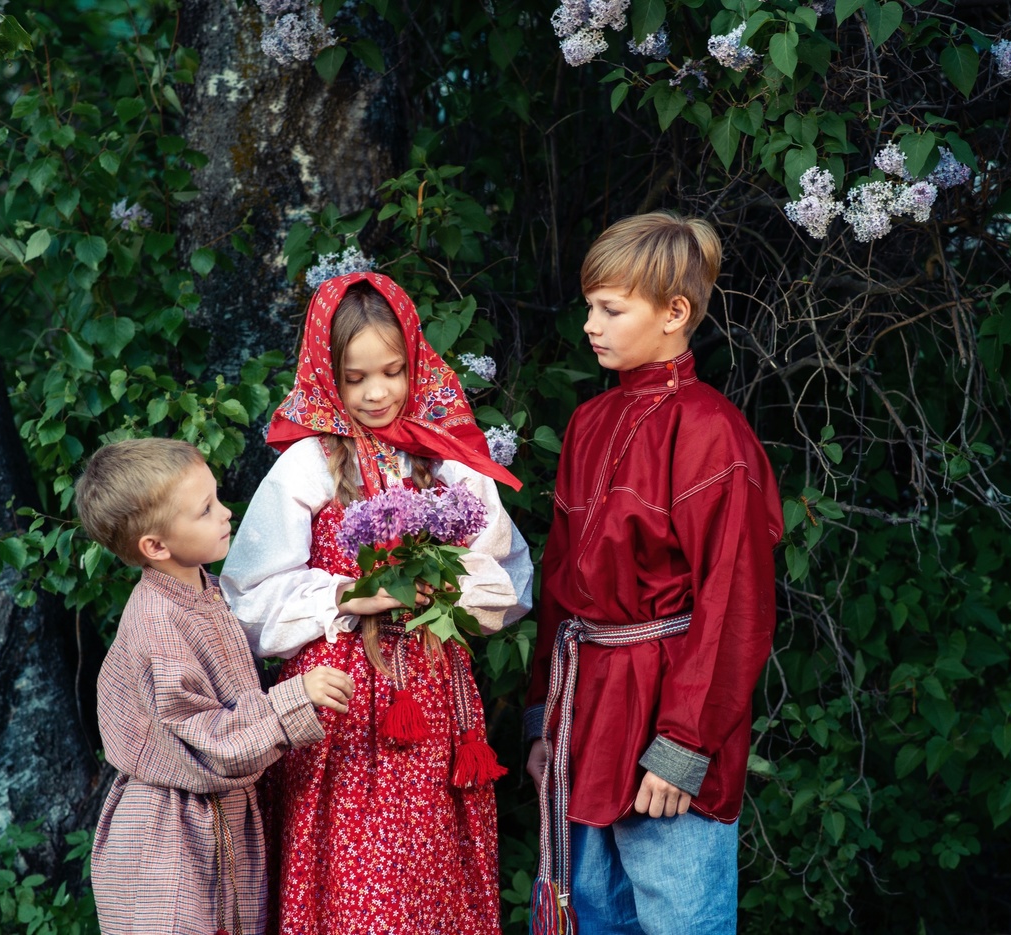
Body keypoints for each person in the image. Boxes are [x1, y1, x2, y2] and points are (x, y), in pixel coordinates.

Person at [221, 272, 533, 935]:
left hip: (429, 699)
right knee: (351, 877)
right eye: (356, 377)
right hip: (338, 706)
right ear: (327, 374)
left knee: (425, 869)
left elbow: (509, 576)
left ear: (416, 359)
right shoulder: (307, 463)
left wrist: (447, 589)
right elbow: (246, 599)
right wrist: (354, 594)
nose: (377, 392)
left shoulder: (448, 460)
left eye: (392, 371)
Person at [524, 212, 784, 935]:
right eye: (589, 307)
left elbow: (736, 604)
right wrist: (544, 718)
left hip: (668, 723)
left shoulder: (711, 432)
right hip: (587, 717)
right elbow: (560, 585)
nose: (590, 325)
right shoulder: (588, 423)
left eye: (610, 308)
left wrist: (683, 746)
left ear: (675, 313)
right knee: (596, 916)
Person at [77, 436, 353, 935]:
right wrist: (295, 697)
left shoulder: (204, 590)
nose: (226, 514)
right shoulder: (157, 621)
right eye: (205, 510)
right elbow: (206, 742)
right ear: (155, 546)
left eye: (217, 499)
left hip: (216, 821)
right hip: (171, 835)